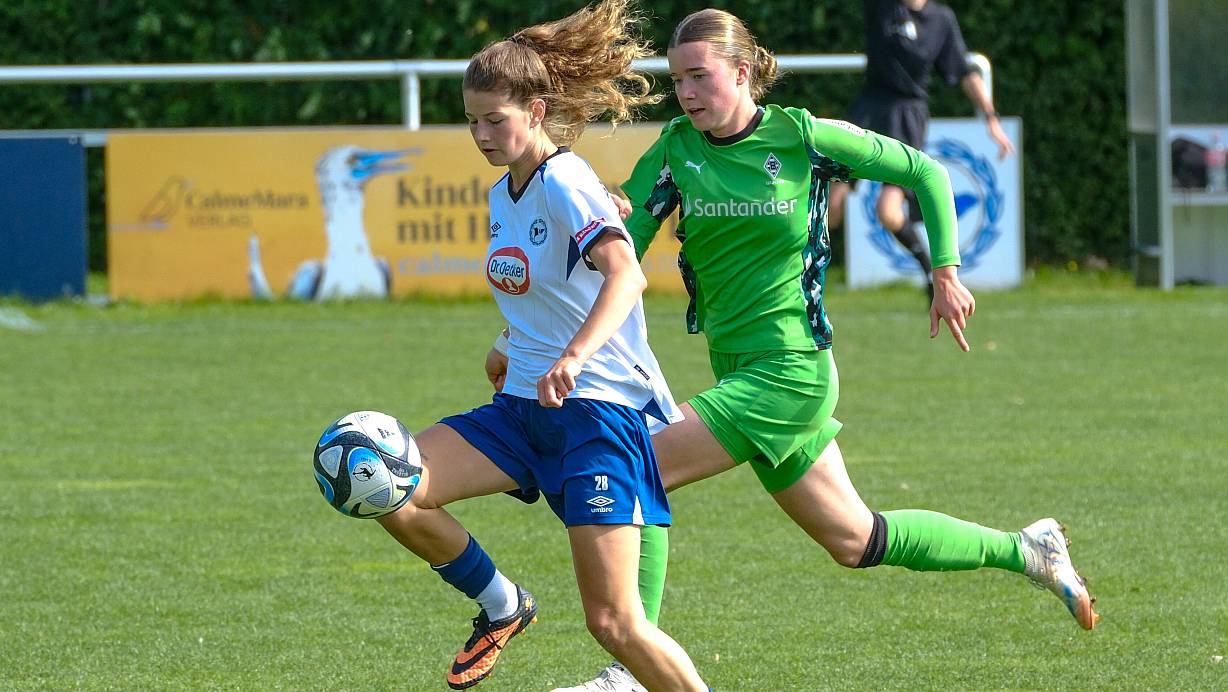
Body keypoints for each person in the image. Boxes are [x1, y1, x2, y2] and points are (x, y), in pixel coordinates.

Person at [539, 8, 1094, 691]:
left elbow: (925, 172)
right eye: (678, 78)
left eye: (700, 76)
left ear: (741, 74)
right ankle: (1028, 550)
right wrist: (602, 224)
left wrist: (945, 269)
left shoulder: (800, 137)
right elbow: (624, 255)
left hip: (791, 374)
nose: (686, 91)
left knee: (636, 468)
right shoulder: (675, 152)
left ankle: (629, 672)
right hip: (740, 372)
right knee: (856, 540)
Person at [368, 2, 708, 689]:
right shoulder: (506, 194)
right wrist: (507, 343)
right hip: (522, 409)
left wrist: (574, 358)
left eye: (495, 118)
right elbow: (548, 288)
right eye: (472, 120)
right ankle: (501, 605)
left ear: (535, 109)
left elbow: (626, 276)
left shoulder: (566, 180)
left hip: (597, 416)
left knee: (615, 623)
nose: (482, 133)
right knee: (391, 486)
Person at [827, 0, 1016, 298]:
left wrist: (991, 119)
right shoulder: (882, 6)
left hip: (907, 117)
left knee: (888, 212)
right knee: (830, 208)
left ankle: (929, 269)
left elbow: (965, 71)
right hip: (869, 108)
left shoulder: (941, 19)